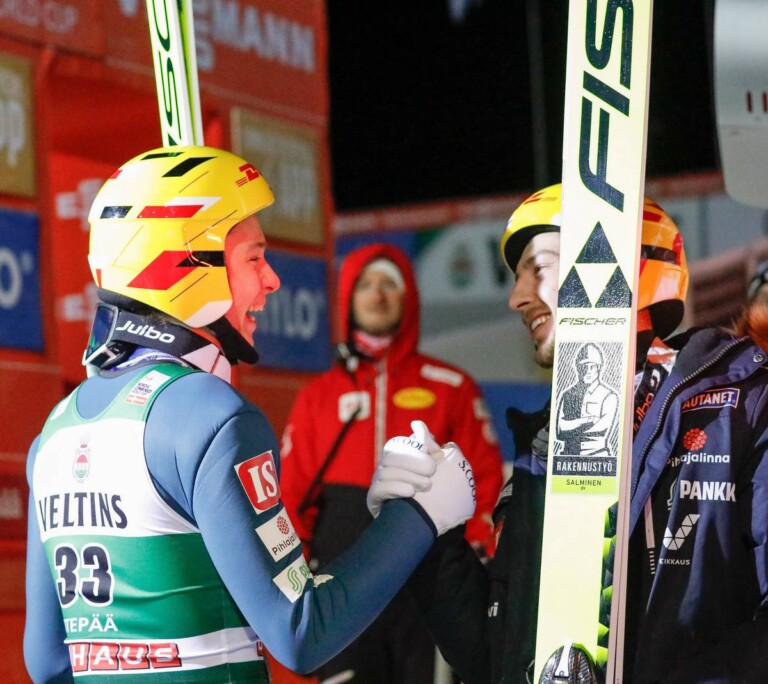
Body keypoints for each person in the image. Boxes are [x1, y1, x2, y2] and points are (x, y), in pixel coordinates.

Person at [22, 145, 478, 683]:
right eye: (254, 258)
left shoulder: (57, 427)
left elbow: (47, 660)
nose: (272, 281)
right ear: (185, 266)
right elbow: (301, 631)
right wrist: (419, 515)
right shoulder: (213, 416)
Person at [402, 183, 768, 683]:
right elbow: (497, 658)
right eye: (516, 277)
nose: (517, 298)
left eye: (540, 268)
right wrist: (427, 535)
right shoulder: (545, 445)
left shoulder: (743, 402)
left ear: (613, 261)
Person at [279, 242, 503, 683]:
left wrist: (478, 556)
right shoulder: (317, 396)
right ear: (347, 298)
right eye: (365, 284)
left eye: (389, 284)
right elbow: (290, 495)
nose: (377, 294)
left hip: (427, 588)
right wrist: (294, 577)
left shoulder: (451, 386)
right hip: (341, 589)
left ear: (408, 298)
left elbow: (486, 480)